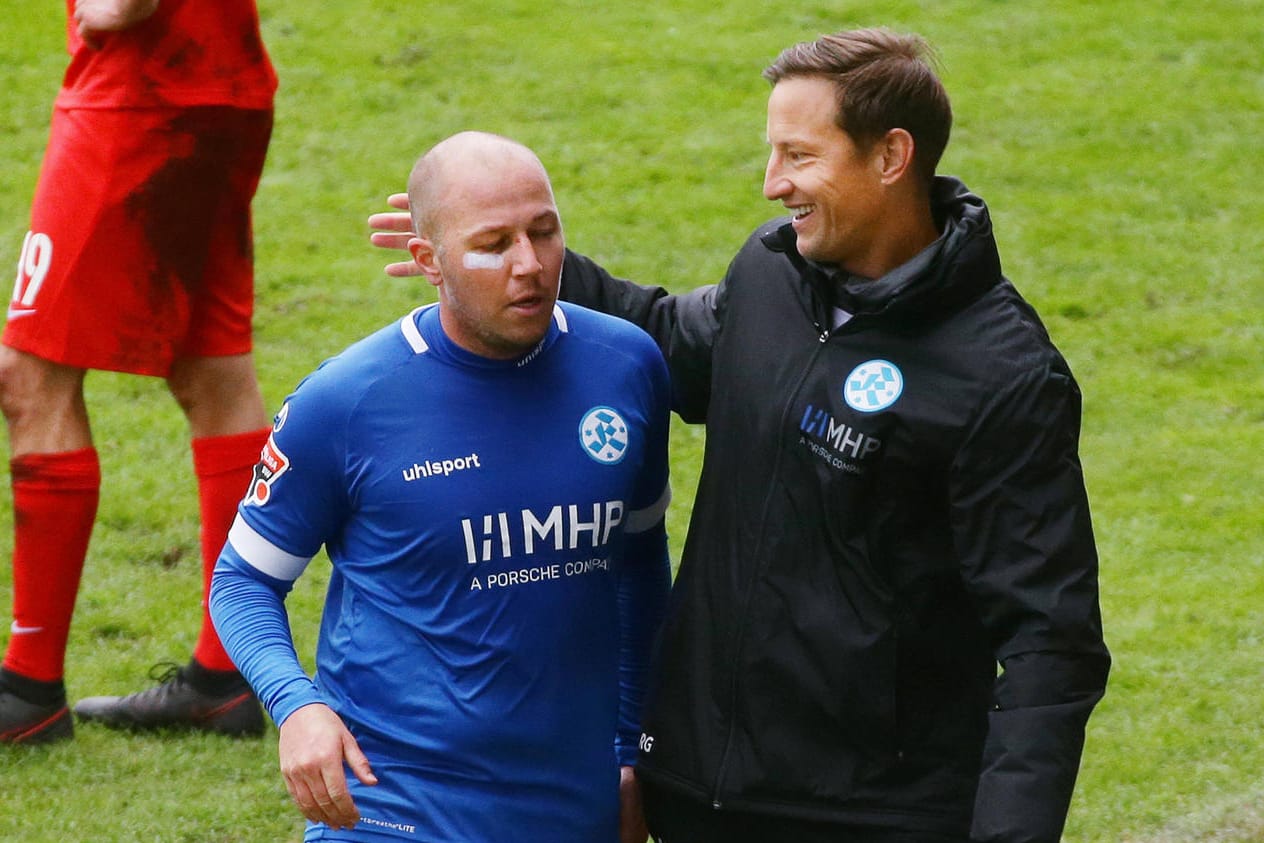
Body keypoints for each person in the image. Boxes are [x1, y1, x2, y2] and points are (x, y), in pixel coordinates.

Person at [370, 29, 1110, 843]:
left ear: (891, 156)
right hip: (696, 792)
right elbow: (667, 340)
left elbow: (1050, 646)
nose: (771, 184)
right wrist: (523, 257)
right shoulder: (773, 273)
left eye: (798, 155)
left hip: (866, 815)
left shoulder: (1001, 375)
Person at [209, 132, 673, 842]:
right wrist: (295, 704)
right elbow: (242, 580)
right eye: (494, 244)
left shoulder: (626, 367)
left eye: (544, 232)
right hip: (392, 809)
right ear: (427, 260)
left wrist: (631, 749)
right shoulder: (347, 402)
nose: (530, 265)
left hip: (573, 807)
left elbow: (640, 569)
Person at [0, 0, 277, 744]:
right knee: (211, 374)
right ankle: (223, 677)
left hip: (141, 89)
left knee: (29, 376)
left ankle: (27, 687)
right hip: (223, 79)